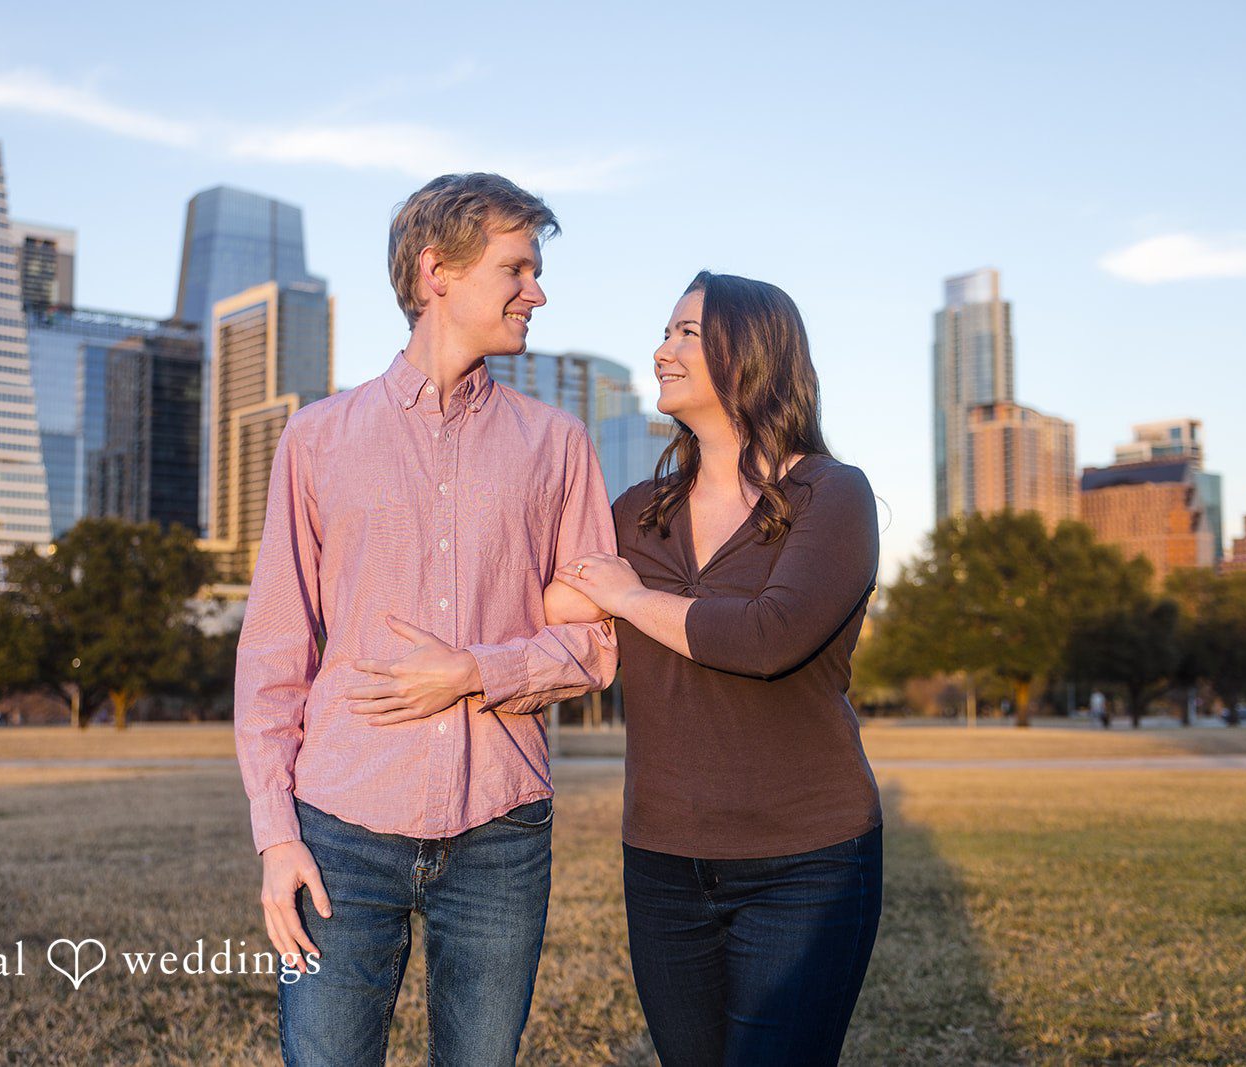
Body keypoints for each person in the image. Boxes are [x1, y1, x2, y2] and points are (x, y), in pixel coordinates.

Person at [234, 173, 619, 1067]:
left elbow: (596, 647)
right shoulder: (318, 440)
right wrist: (276, 833)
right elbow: (275, 651)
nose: (538, 291)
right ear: (436, 270)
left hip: (502, 832)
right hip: (338, 829)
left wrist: (475, 671)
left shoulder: (559, 446)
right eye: (517, 268)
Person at [548, 271, 884, 1063]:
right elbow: (557, 605)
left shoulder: (831, 496)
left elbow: (768, 637)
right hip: (663, 863)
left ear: (753, 352)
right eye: (666, 331)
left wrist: (629, 598)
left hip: (806, 862)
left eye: (686, 333)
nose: (662, 349)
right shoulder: (637, 510)